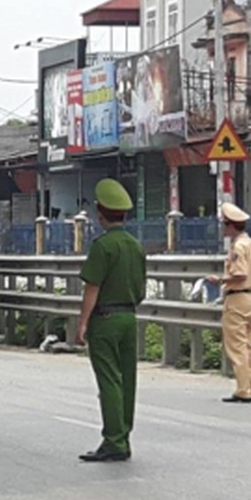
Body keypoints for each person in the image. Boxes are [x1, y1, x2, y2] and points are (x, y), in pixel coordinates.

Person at [77, 179, 146, 462]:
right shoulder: (135, 245)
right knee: (127, 379)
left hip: (105, 319)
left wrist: (83, 322)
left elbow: (92, 287)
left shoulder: (103, 246)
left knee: (109, 381)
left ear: (100, 211)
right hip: (129, 317)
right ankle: (124, 437)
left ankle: (114, 440)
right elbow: (141, 287)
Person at [208, 203, 251, 403]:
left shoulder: (238, 246)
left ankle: (243, 389)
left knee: (236, 346)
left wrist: (220, 279)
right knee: (248, 344)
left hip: (237, 296)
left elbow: (240, 273)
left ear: (231, 226)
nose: (223, 229)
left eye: (225, 225)